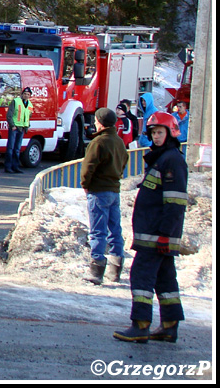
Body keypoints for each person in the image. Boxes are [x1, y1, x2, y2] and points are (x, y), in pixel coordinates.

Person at [113, 112, 188, 343]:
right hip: (156, 234)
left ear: (170, 133)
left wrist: (166, 234)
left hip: (157, 235)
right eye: (153, 133)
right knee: (165, 279)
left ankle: (140, 325)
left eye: (160, 132)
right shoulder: (162, 158)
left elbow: (175, 202)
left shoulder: (171, 160)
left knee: (141, 276)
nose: (156, 137)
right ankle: (169, 326)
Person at [80, 107, 129, 285]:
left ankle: (96, 268)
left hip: (98, 191)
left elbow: (88, 167)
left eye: (96, 120)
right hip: (114, 190)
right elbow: (124, 162)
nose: (94, 123)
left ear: (100, 123)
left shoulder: (98, 142)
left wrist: (85, 185)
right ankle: (116, 268)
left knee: (98, 231)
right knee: (115, 230)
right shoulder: (118, 142)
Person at [4, 87, 33, 173]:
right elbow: (9, 114)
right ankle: (8, 167)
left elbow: (28, 116)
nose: (26, 96)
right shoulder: (16, 101)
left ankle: (15, 166)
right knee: (10, 148)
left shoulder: (30, 105)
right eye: (25, 94)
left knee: (17, 149)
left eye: (28, 94)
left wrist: (27, 126)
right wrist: (12, 125)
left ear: (30, 96)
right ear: (22, 94)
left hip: (22, 128)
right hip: (15, 127)